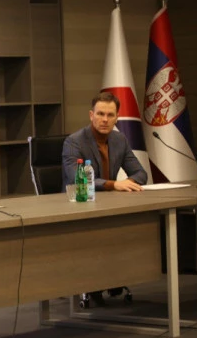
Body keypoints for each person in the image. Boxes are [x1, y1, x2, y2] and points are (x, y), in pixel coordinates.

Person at [62, 92, 148, 305]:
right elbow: (76, 177)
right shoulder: (74, 142)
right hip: (79, 206)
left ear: (117, 117)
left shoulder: (119, 139)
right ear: (91, 115)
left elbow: (140, 173)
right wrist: (114, 185)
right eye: (100, 114)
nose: (105, 119)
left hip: (109, 205)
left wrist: (128, 183)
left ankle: (113, 275)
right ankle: (94, 280)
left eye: (110, 115)